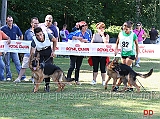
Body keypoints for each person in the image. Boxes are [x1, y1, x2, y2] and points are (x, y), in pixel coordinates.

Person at [30, 27, 57, 92]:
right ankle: (36, 86)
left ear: (42, 33)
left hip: (48, 53)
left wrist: (53, 51)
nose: (39, 37)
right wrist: (32, 58)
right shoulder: (34, 40)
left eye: (40, 34)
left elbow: (55, 40)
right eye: (37, 35)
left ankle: (47, 86)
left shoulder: (48, 35)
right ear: (35, 35)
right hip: (40, 54)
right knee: (38, 70)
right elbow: (32, 51)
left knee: (47, 69)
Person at [114, 21, 139, 91]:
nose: (125, 30)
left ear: (130, 28)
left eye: (127, 29)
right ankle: (130, 86)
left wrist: (137, 55)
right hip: (123, 54)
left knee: (124, 71)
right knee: (125, 71)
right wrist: (116, 49)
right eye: (124, 29)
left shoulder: (133, 35)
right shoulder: (120, 34)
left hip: (130, 54)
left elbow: (137, 45)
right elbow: (117, 43)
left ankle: (117, 86)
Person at [14, 17, 39, 83]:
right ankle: (19, 78)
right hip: (28, 52)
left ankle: (34, 78)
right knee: (24, 65)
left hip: (37, 53)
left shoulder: (40, 32)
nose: (36, 24)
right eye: (35, 23)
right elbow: (24, 42)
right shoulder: (27, 32)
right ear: (31, 23)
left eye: (37, 23)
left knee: (36, 66)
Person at [1, 15, 25, 81]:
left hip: (14, 48)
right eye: (9, 21)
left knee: (17, 62)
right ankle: (9, 76)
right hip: (6, 48)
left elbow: (21, 35)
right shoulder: (3, 28)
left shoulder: (16, 27)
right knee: (7, 63)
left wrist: (20, 42)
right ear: (6, 21)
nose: (10, 22)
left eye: (11, 20)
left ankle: (22, 76)